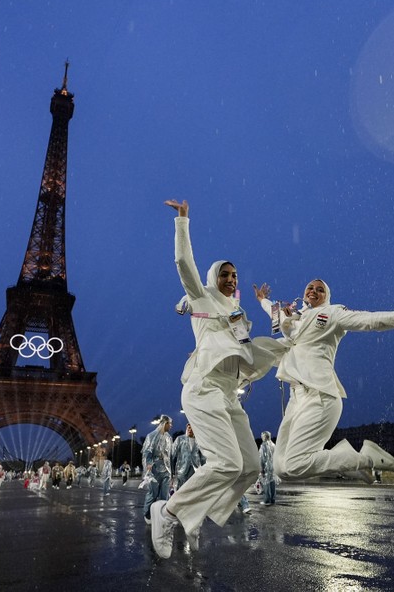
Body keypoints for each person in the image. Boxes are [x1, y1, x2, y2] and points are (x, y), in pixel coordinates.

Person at [151, 199, 283, 560]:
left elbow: (248, 352)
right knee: (226, 463)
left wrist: (285, 337)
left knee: (250, 466)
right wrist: (183, 222)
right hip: (203, 388)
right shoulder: (201, 298)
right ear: (213, 279)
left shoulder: (238, 314)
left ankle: (194, 515)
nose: (231, 279)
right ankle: (169, 512)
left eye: (235, 275)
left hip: (228, 395)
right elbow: (183, 264)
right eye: (225, 274)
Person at [253, 279, 394, 484]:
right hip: (296, 400)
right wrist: (262, 299)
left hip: (320, 396)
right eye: (310, 288)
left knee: (295, 465)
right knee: (281, 468)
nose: (314, 291)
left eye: (320, 290)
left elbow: (369, 320)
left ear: (327, 296)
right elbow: (272, 311)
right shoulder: (294, 319)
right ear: (303, 294)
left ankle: (367, 458)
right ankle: (347, 464)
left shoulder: (332, 313)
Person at [141, 415, 173, 523]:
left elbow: (170, 455)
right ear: (164, 423)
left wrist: (171, 471)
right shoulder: (152, 436)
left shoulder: (169, 437)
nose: (171, 426)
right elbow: (147, 452)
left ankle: (162, 514)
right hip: (154, 468)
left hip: (166, 469)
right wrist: (149, 464)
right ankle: (147, 514)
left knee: (165, 494)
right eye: (170, 423)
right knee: (153, 493)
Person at [171, 424, 205, 492]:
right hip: (181, 469)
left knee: (193, 489)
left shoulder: (199, 441)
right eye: (189, 428)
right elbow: (172, 454)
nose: (190, 430)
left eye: (192, 428)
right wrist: (171, 471)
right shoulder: (180, 439)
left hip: (195, 469)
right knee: (180, 490)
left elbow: (202, 457)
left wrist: (204, 469)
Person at [258, 431, 277, 506]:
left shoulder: (264, 445)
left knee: (266, 483)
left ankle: (267, 500)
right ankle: (272, 499)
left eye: (262, 436)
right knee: (272, 483)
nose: (261, 437)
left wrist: (262, 468)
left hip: (266, 467)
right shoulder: (273, 445)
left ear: (265, 436)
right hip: (273, 467)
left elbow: (262, 458)